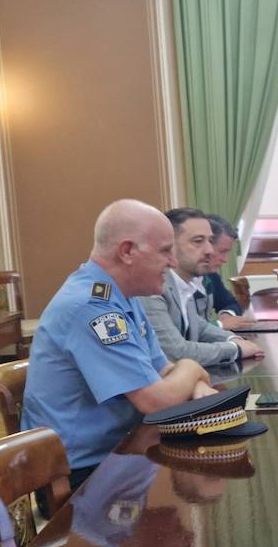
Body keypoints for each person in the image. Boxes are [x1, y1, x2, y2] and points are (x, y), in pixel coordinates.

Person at [21, 199, 218, 488]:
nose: (173, 263)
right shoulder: (91, 307)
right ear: (127, 251)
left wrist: (191, 380)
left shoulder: (122, 295)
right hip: (81, 471)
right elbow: (156, 400)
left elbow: (163, 369)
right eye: (165, 251)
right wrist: (192, 367)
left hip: (121, 450)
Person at [140, 208, 264, 368]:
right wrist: (235, 349)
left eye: (210, 241)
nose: (209, 250)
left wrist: (232, 339)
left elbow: (199, 326)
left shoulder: (185, 283)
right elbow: (176, 353)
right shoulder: (152, 288)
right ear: (168, 245)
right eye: (198, 241)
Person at [202, 214, 253, 332]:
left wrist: (227, 315)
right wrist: (220, 324)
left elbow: (231, 303)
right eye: (222, 251)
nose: (225, 260)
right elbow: (189, 332)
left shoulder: (210, 275)